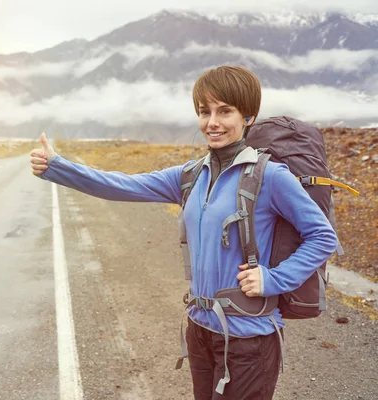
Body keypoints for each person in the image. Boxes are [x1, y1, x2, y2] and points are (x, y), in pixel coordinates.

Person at [30, 65, 338, 399]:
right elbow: (121, 185)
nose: (212, 122)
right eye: (205, 112)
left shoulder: (271, 177)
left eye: (225, 111)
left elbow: (323, 236)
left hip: (250, 339)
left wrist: (274, 279)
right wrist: (57, 168)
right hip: (201, 329)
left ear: (248, 117)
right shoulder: (190, 176)